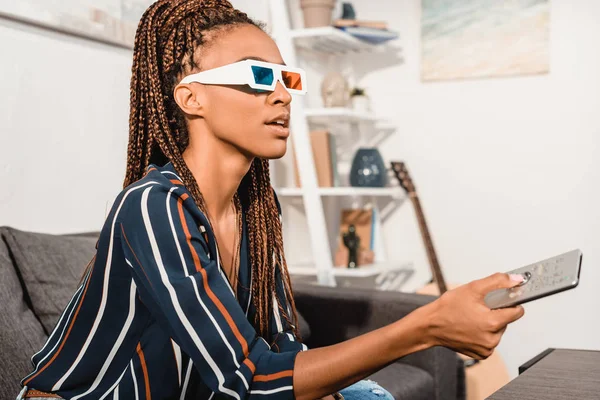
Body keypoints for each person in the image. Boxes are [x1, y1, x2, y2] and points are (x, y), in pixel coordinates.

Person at [17, 0, 525, 399]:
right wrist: (426, 325)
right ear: (191, 97)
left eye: (286, 78)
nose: (281, 94)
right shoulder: (152, 206)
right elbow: (251, 381)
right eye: (259, 76)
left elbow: (280, 347)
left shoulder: (257, 209)